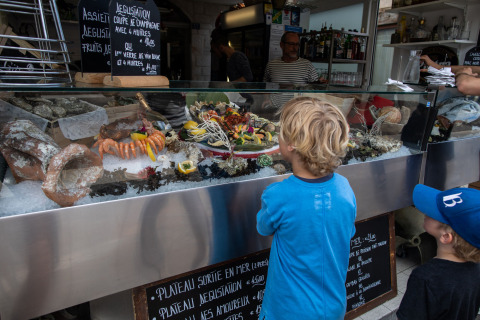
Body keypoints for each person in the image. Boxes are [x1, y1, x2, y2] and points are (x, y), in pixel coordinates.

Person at [256, 97, 357, 320]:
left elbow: (263, 228)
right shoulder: (344, 187)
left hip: (288, 310)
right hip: (333, 305)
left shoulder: (277, 195)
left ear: (291, 144)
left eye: (281, 132)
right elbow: (345, 231)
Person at [396, 184, 480, 320]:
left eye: (434, 212)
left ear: (446, 236)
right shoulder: (476, 269)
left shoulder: (425, 278)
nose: (426, 212)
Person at [262, 31, 319, 111]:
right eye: (291, 44)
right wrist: (266, 99)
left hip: (298, 110)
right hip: (275, 109)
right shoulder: (272, 65)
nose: (295, 48)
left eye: (297, 44)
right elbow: (266, 86)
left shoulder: (307, 65)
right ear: (282, 45)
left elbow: (316, 89)